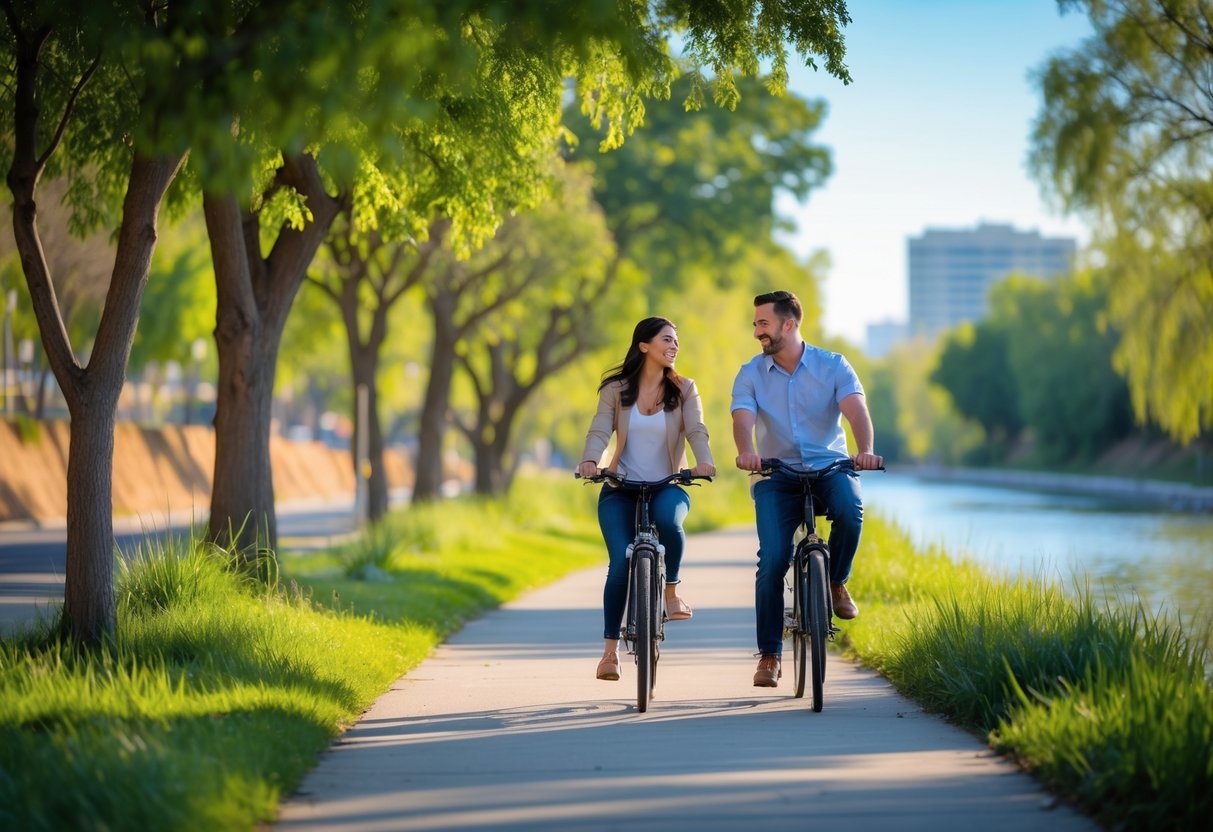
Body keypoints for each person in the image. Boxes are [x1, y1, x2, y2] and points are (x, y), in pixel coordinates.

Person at [730, 290, 883, 688]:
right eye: (755, 324)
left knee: (851, 509)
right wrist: (746, 452)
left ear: (789, 324)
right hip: (776, 474)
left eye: (763, 323)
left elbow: (856, 411)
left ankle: (835, 582)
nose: (757, 332)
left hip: (829, 466)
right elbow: (743, 418)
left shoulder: (833, 365)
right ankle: (769, 655)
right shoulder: (750, 373)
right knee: (773, 560)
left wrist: (865, 451)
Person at [577, 316, 716, 681]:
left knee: (670, 523)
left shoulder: (685, 389)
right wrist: (591, 460)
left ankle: (671, 592)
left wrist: (704, 462)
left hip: (668, 483)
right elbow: (600, 427)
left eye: (676, 342)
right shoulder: (615, 389)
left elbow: (697, 428)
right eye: (667, 340)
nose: (674, 347)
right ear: (644, 345)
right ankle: (609, 654)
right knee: (619, 564)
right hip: (619, 488)